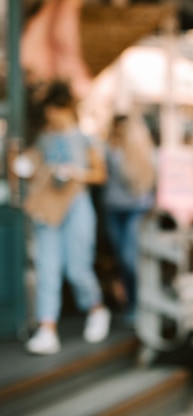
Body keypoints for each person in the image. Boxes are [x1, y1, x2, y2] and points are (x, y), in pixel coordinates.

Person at [21, 80, 110, 355]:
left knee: (77, 266)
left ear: (65, 109)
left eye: (54, 112)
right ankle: (47, 328)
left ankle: (96, 309)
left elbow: (100, 174)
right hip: (49, 207)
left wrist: (76, 173)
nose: (52, 118)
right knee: (47, 267)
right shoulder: (44, 139)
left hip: (77, 204)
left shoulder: (86, 139)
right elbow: (31, 168)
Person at [103, 113, 156, 324]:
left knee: (130, 257)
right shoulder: (109, 147)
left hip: (136, 209)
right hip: (114, 209)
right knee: (122, 261)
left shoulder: (142, 150)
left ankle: (141, 304)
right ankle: (132, 303)